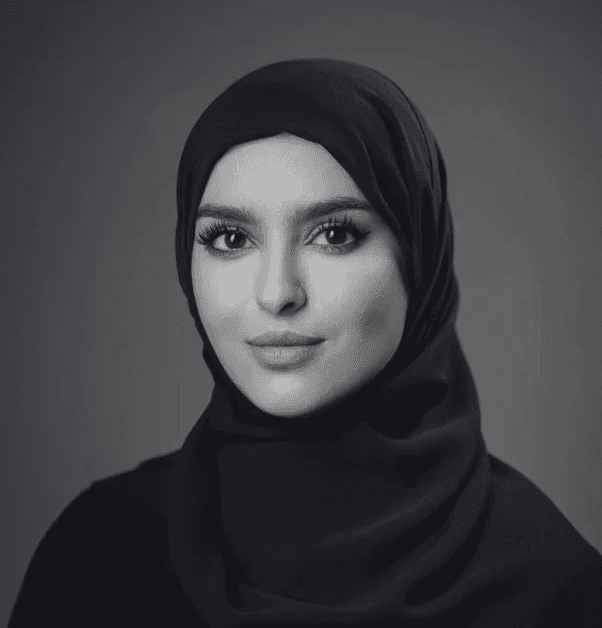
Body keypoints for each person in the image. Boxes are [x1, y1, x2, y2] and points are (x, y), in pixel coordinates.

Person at [9, 59, 602, 627]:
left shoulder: (554, 589)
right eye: (230, 238)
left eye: (334, 233)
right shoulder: (102, 552)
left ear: (419, 256)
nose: (277, 293)